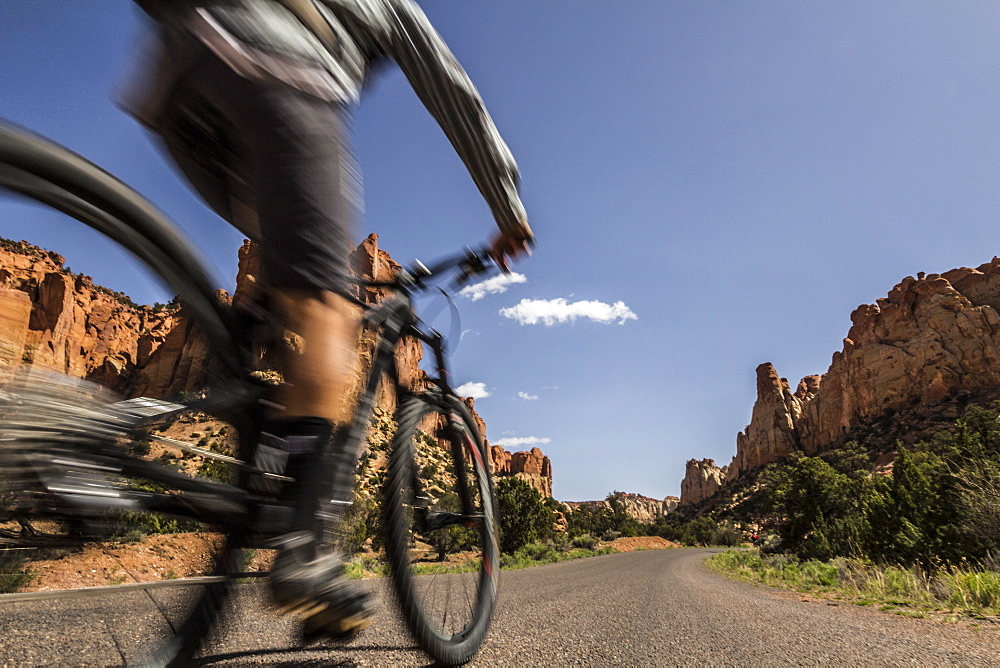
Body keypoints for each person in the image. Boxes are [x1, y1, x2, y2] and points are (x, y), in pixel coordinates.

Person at [122, 0, 533, 638]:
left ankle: (256, 443)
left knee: (290, 282)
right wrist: (506, 205)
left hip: (178, 86)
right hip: (276, 61)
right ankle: (308, 549)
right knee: (328, 305)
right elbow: (451, 88)